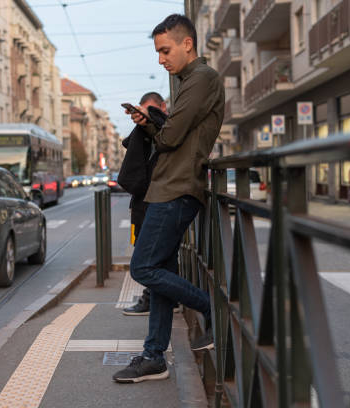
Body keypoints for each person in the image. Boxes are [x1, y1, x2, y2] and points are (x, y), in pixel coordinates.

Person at [112, 14, 224, 384]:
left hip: (176, 189)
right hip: (168, 186)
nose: (161, 59)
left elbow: (172, 138)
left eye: (165, 50)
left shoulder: (202, 78)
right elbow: (171, 133)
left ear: (187, 44)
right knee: (162, 272)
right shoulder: (186, 82)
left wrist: (158, 126)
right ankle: (154, 355)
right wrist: (152, 123)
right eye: (158, 52)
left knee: (143, 269)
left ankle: (212, 308)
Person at [118, 92, 168, 316]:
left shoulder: (165, 128)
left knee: (147, 258)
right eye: (143, 110)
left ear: (162, 107)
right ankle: (160, 297)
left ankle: (153, 297)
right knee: (143, 245)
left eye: (151, 110)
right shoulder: (144, 131)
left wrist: (151, 120)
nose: (147, 116)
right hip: (142, 199)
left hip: (156, 198)